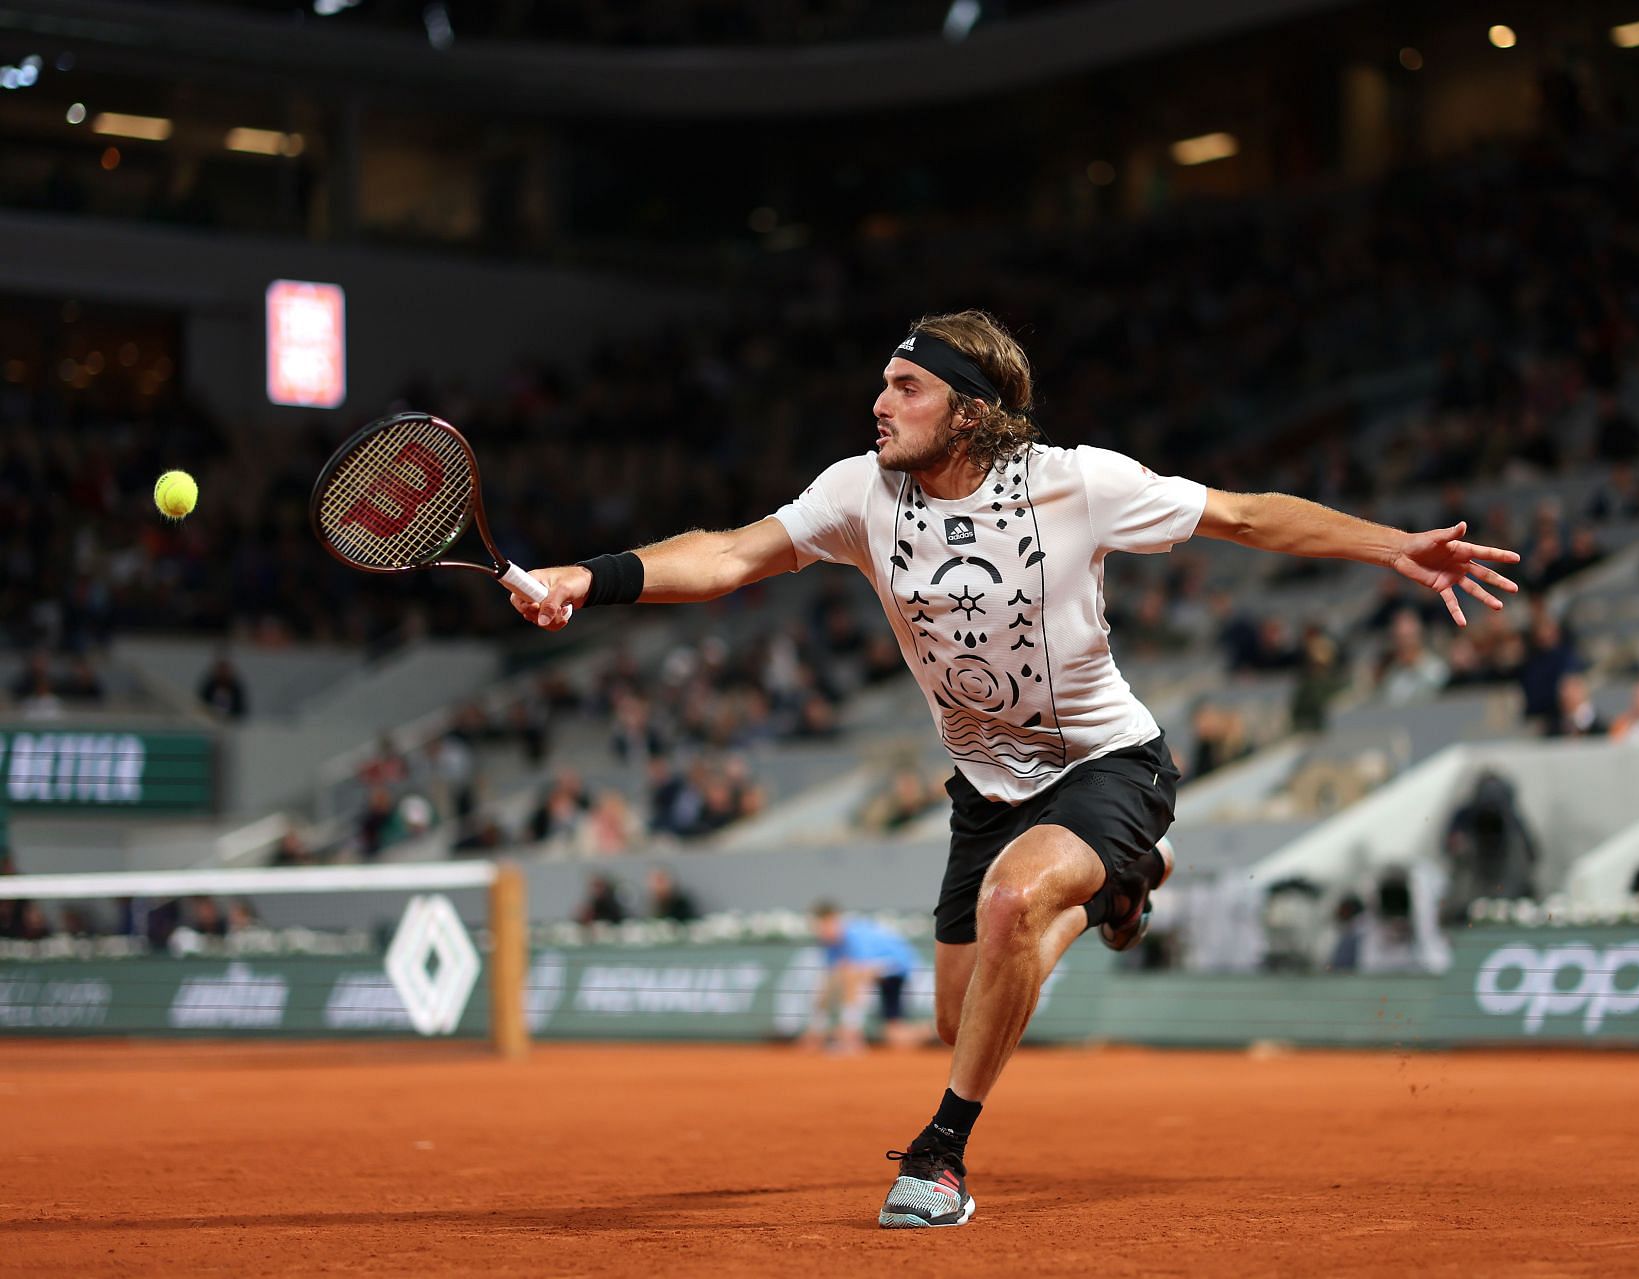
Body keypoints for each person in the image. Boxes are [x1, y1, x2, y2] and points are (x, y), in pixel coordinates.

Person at [507, 309, 1520, 1228]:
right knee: (966, 1012)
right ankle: (1123, 883)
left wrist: (1395, 547)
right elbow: (731, 554)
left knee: (1010, 907)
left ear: (972, 410)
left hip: (1110, 762)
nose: (880, 400)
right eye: (883, 382)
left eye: (907, 385)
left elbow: (1246, 515)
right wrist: (583, 581)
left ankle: (940, 1157)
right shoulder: (858, 493)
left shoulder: (1078, 482)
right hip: (985, 791)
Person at [802, 901, 929, 1054]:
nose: (821, 931)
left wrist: (848, 1026)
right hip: (883, 975)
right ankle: (936, 1031)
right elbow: (828, 983)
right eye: (817, 927)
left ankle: (851, 1035)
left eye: (824, 925)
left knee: (849, 973)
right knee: (895, 1037)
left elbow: (862, 974)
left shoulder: (855, 935)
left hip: (900, 969)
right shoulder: (830, 944)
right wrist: (816, 1027)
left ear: (834, 919)